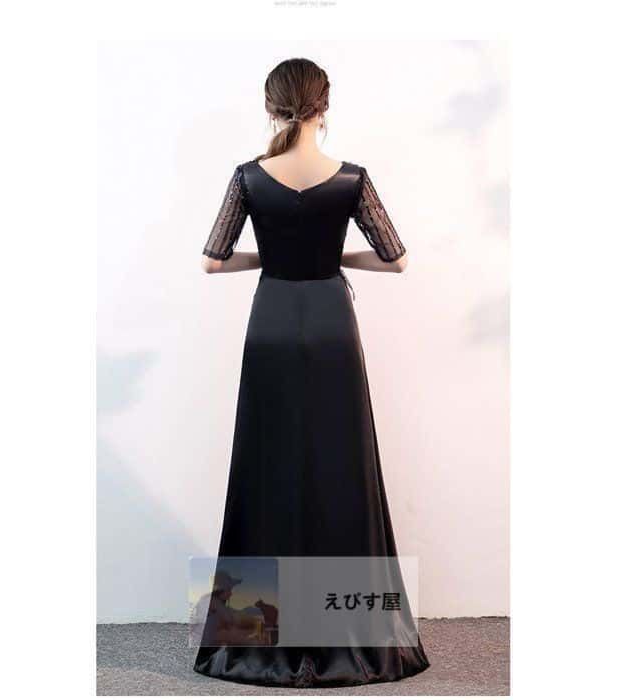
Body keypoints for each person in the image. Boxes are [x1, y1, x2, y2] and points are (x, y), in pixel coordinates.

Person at [194, 58, 430, 688]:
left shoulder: (248, 178)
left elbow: (213, 262)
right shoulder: (352, 179)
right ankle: (352, 633)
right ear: (325, 106)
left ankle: (252, 635)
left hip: (271, 324)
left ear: (271, 107)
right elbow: (396, 260)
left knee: (265, 468)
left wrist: (277, 256)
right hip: (331, 330)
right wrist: (328, 256)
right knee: (340, 472)